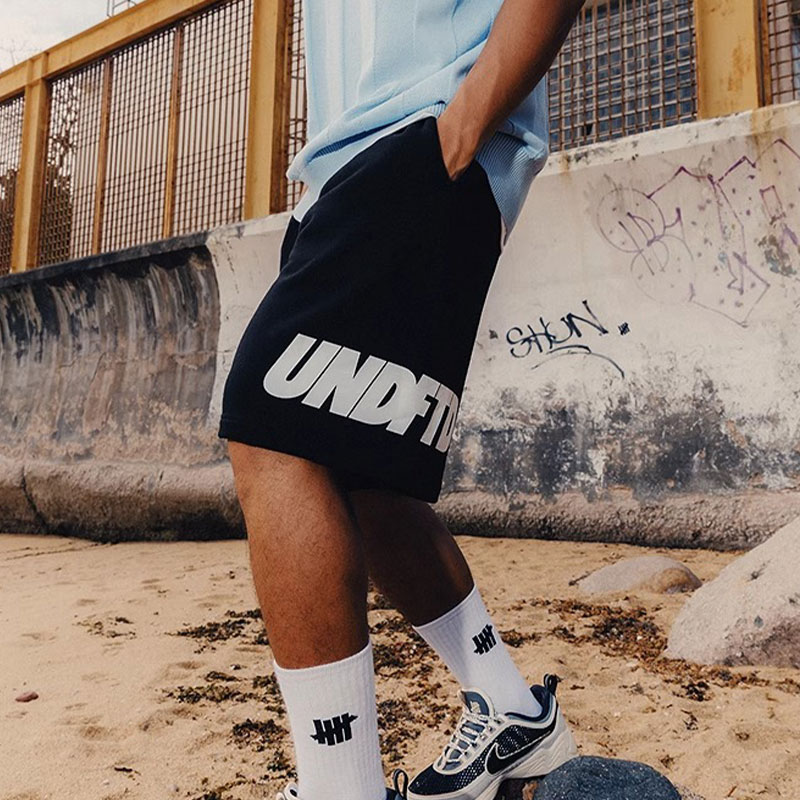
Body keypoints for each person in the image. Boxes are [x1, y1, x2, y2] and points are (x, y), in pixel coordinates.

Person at [218, 1, 585, 799]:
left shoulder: (435, 136)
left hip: (421, 139)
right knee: (363, 472)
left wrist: (459, 127)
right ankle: (512, 710)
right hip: (347, 173)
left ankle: (339, 787)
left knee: (270, 426)